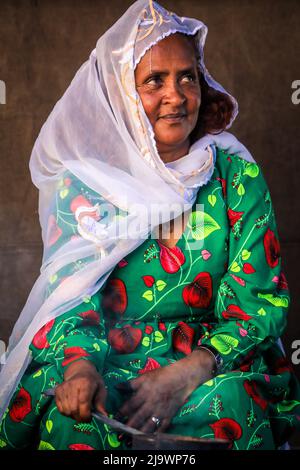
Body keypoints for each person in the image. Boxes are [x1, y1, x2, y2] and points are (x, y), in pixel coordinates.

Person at [0, 0, 299, 451]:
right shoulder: (85, 187)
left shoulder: (236, 176)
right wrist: (81, 370)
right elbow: (69, 298)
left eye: (187, 77)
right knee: (71, 424)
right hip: (106, 363)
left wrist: (189, 371)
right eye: (153, 81)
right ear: (121, 93)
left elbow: (258, 302)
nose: (176, 96)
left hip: (210, 365)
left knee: (233, 407)